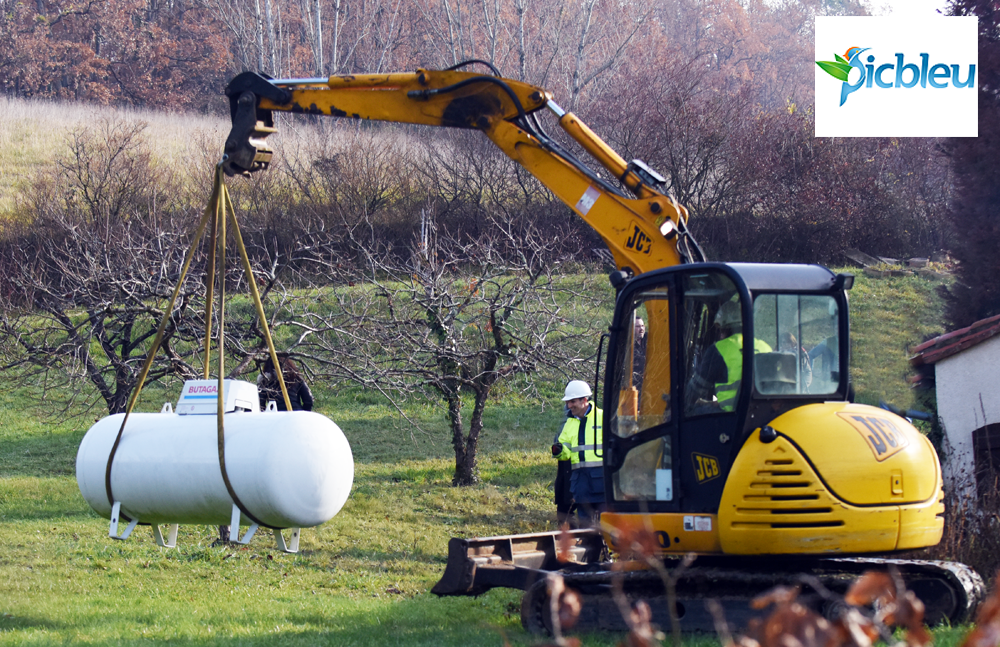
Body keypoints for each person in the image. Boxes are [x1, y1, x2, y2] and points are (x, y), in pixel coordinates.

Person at [686, 300, 771, 412]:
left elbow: (697, 388)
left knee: (691, 413)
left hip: (730, 416)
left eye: (720, 330)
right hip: (759, 413)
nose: (720, 335)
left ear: (724, 328)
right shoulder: (766, 347)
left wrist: (678, 402)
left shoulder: (719, 349)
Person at [552, 380, 605, 525]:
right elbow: (566, 452)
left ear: (585, 400)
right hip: (581, 484)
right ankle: (590, 546)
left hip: (602, 482)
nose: (569, 406)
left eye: (572, 401)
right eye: (568, 402)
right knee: (586, 527)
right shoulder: (570, 423)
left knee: (606, 526)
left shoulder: (603, 418)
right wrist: (559, 451)